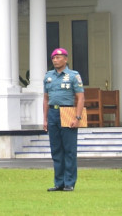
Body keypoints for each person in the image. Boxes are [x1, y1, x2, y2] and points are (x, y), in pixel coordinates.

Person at [42, 47, 85, 192]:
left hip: (67, 111)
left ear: (66, 59)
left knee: (69, 150)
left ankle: (69, 182)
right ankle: (58, 182)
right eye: (53, 58)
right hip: (52, 113)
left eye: (58, 57)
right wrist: (45, 119)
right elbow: (45, 98)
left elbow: (80, 97)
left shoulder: (73, 75)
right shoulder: (48, 76)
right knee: (56, 150)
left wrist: (77, 117)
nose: (55, 60)